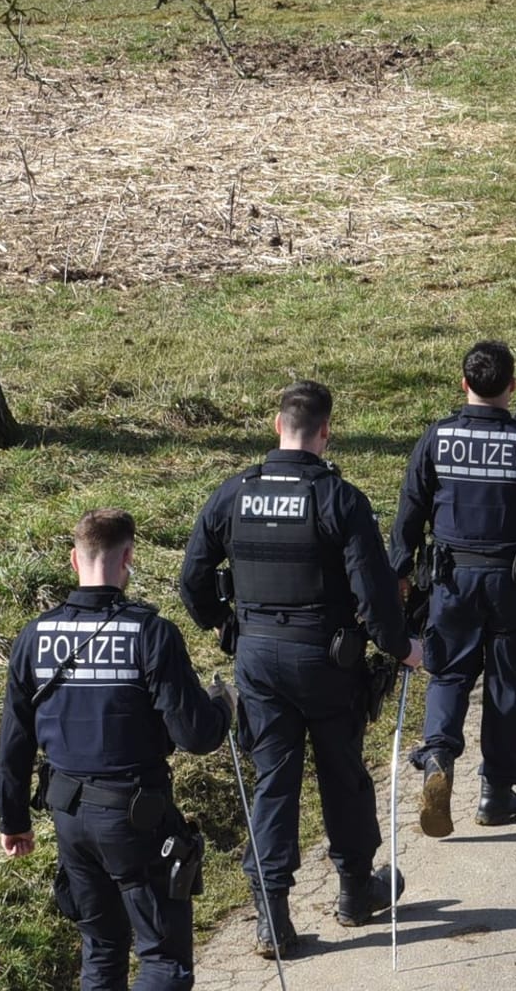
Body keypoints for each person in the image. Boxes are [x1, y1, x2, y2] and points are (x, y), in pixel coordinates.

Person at [179, 382, 421, 959]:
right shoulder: (337, 498)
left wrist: (224, 624)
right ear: (326, 431)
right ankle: (354, 891)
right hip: (327, 660)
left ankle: (272, 916)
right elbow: (374, 591)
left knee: (274, 784)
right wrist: (401, 646)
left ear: (275, 426)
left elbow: (192, 578)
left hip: (258, 660)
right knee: (343, 775)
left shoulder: (233, 493)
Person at [0, 509, 231, 991]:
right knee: (163, 960)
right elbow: (196, 735)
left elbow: (14, 737)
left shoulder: (34, 638)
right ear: (128, 558)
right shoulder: (151, 633)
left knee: (100, 953)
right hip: (136, 818)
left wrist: (12, 818)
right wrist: (223, 706)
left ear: (73, 560)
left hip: (69, 817)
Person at [390, 341, 516, 835]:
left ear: (464, 384)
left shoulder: (437, 439)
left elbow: (410, 510)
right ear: (512, 387)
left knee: (449, 674)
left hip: (451, 580)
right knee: (505, 684)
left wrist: (400, 571)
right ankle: (496, 792)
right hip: (511, 583)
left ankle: (438, 756)